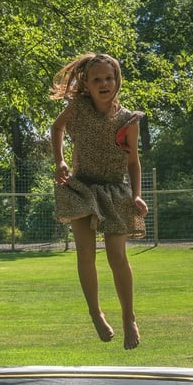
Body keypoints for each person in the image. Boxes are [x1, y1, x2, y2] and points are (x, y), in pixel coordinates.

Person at [50, 53, 148, 350]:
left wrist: (137, 194)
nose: (104, 83)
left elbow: (133, 161)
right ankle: (95, 312)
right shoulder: (78, 108)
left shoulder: (128, 119)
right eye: (97, 80)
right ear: (87, 84)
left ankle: (129, 317)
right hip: (81, 187)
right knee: (85, 254)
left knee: (117, 256)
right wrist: (60, 161)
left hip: (115, 190)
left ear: (117, 81)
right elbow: (57, 128)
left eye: (109, 78)